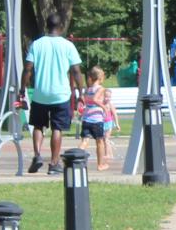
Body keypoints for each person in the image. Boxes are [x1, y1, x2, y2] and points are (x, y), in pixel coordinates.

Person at [23, 14, 84, 175]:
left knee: (38, 125)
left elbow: (28, 68)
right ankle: (54, 163)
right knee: (57, 128)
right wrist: (81, 93)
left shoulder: (36, 44)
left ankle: (37, 155)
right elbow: (76, 71)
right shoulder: (67, 45)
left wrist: (23, 89)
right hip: (61, 94)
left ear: (46, 26)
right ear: (61, 26)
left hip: (40, 93)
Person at [74, 67, 116, 170]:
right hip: (96, 120)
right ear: (100, 77)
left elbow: (85, 100)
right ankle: (100, 165)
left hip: (86, 119)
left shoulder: (88, 89)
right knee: (100, 142)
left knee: (85, 141)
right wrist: (104, 108)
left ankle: (75, 159)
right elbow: (95, 99)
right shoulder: (101, 89)